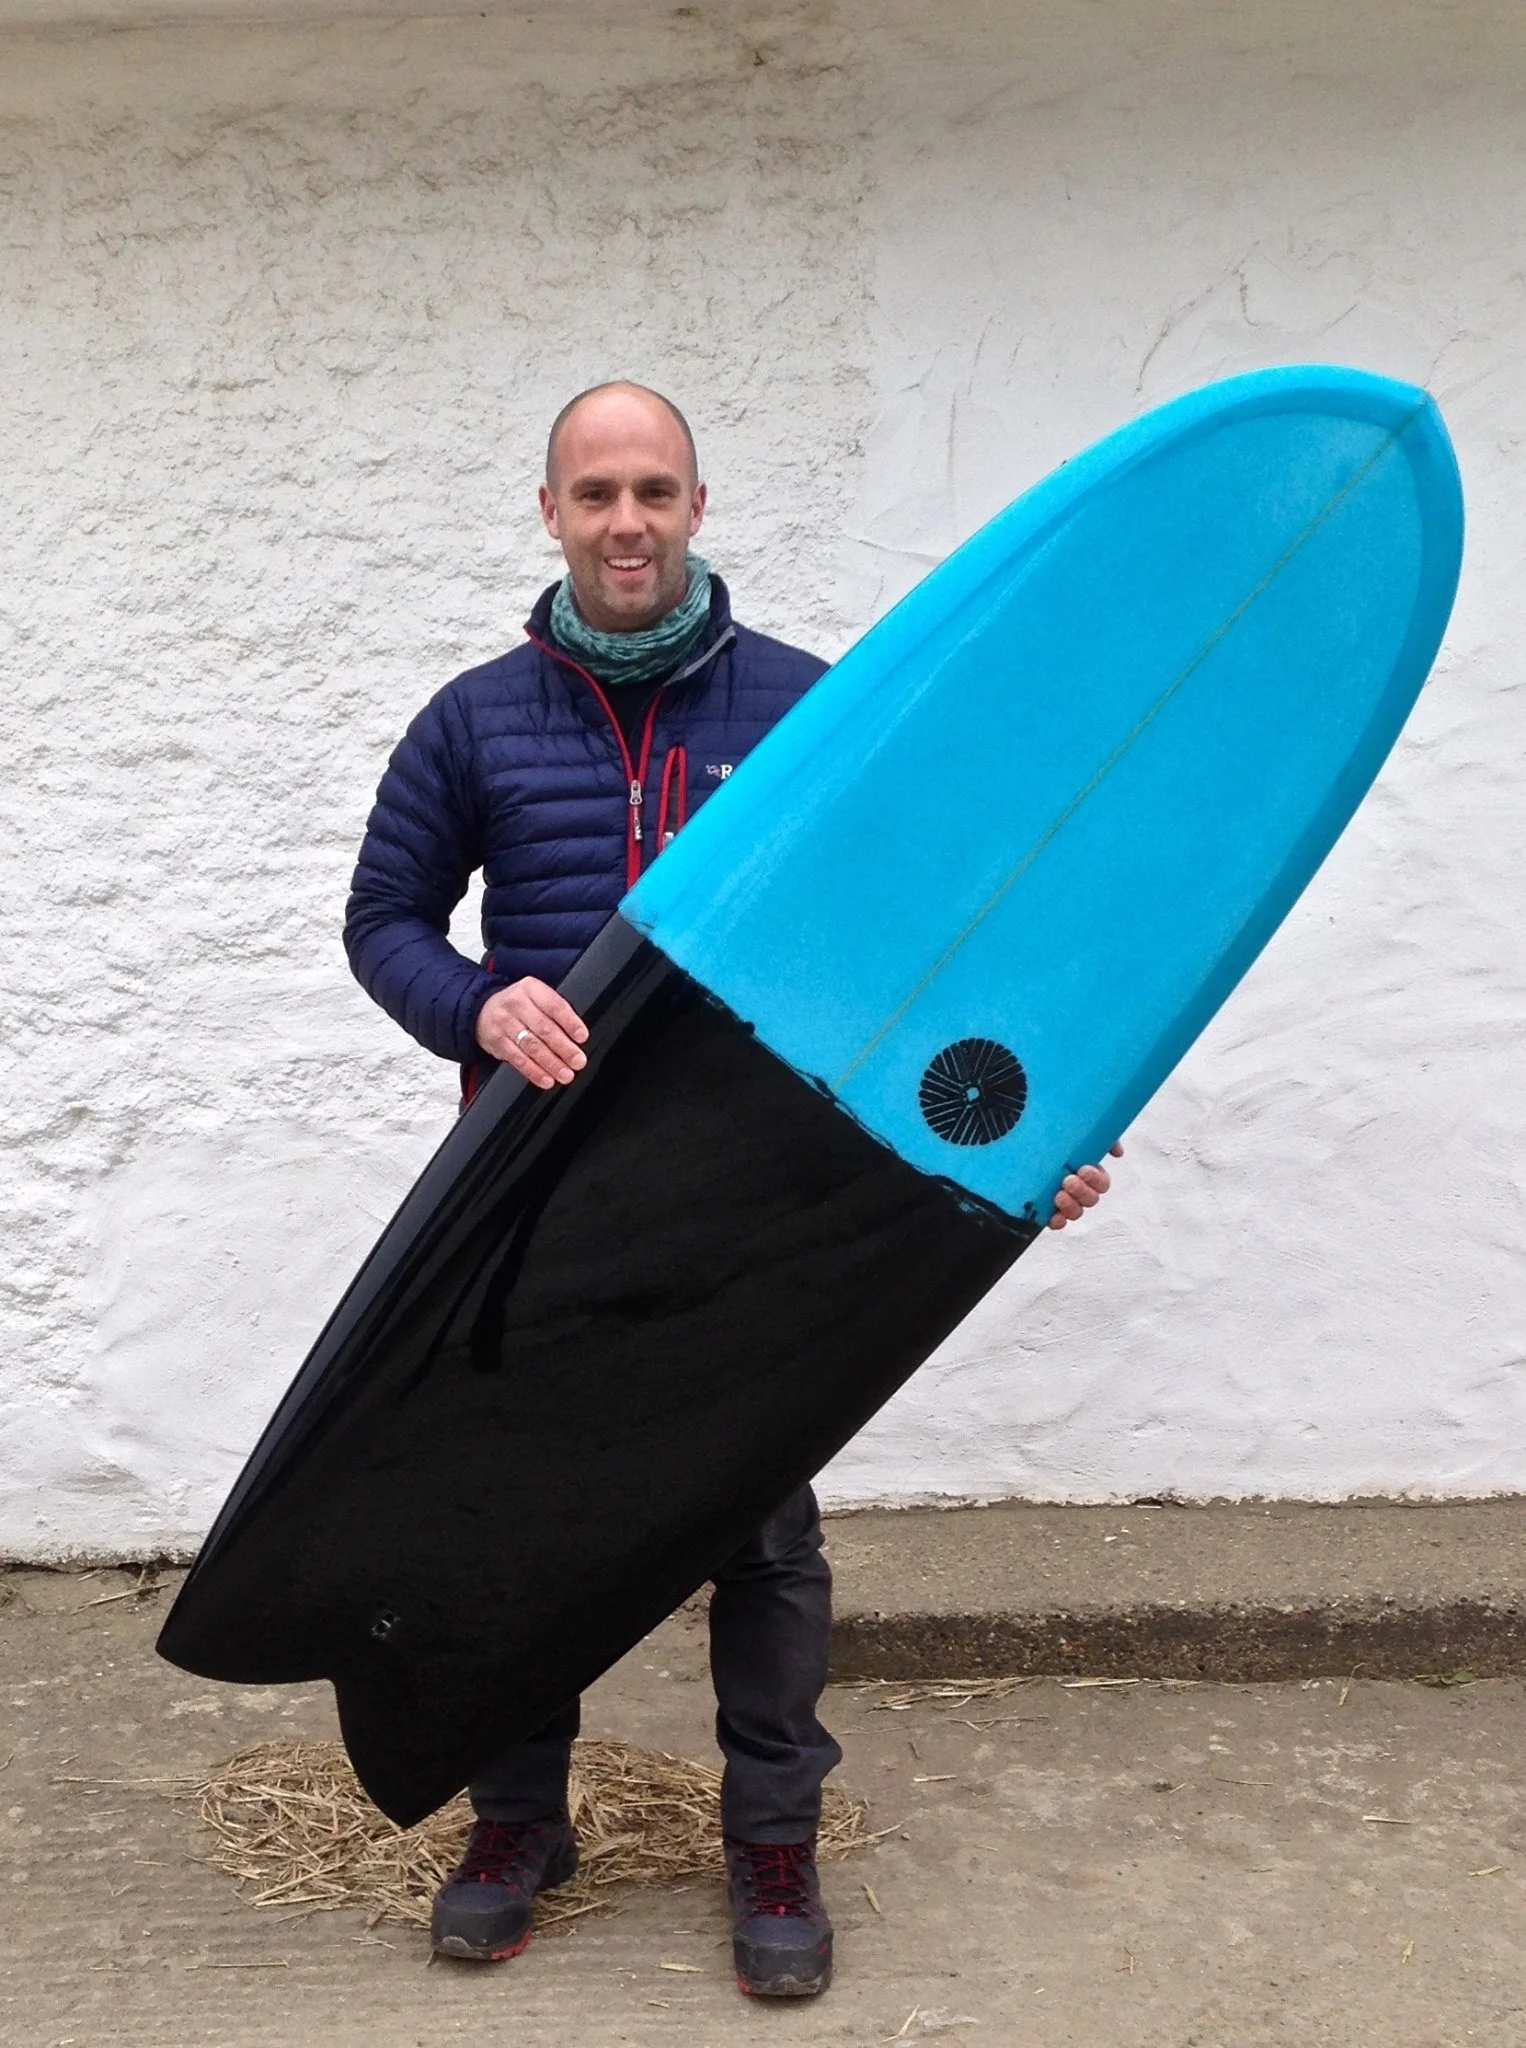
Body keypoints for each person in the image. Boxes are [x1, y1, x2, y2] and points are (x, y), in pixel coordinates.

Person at [342, 381, 1119, 1999]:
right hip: (535, 1204)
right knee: (515, 1520)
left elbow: (936, 943)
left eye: (655, 490)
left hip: (751, 1204)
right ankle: (516, 1822)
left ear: (698, 504)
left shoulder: (813, 712)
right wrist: (476, 1005)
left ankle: (770, 1837)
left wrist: (1019, 1131)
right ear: (549, 512)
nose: (626, 522)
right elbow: (384, 924)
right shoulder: (473, 721)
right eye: (595, 493)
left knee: (756, 1531)